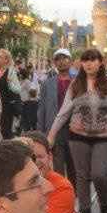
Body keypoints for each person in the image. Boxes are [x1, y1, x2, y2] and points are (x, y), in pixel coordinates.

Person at [48, 48, 107, 213]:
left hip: (104, 137)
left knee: (99, 174)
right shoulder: (75, 85)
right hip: (78, 137)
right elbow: (63, 113)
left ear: (101, 62)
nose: (89, 64)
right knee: (82, 177)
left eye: (93, 60)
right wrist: (51, 136)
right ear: (81, 63)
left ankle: (104, 207)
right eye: (85, 60)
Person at [37, 48, 76, 184]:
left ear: (70, 61)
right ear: (54, 62)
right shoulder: (48, 83)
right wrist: (41, 133)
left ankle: (74, 195)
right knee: (57, 167)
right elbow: (42, 109)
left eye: (64, 58)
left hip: (74, 129)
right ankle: (61, 193)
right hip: (55, 130)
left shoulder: (78, 82)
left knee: (74, 166)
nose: (61, 62)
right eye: (58, 59)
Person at [0, 48, 21, 139]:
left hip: (6, 107)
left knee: (5, 130)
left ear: (6, 60)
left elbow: (18, 89)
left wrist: (10, 83)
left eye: (0, 57)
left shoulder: (11, 72)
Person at [18, 64, 40, 132]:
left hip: (27, 102)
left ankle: (26, 130)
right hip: (22, 102)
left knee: (26, 119)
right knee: (23, 118)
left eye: (20, 74)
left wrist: (35, 98)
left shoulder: (27, 82)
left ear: (22, 75)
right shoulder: (20, 82)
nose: (19, 75)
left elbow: (31, 92)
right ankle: (21, 129)